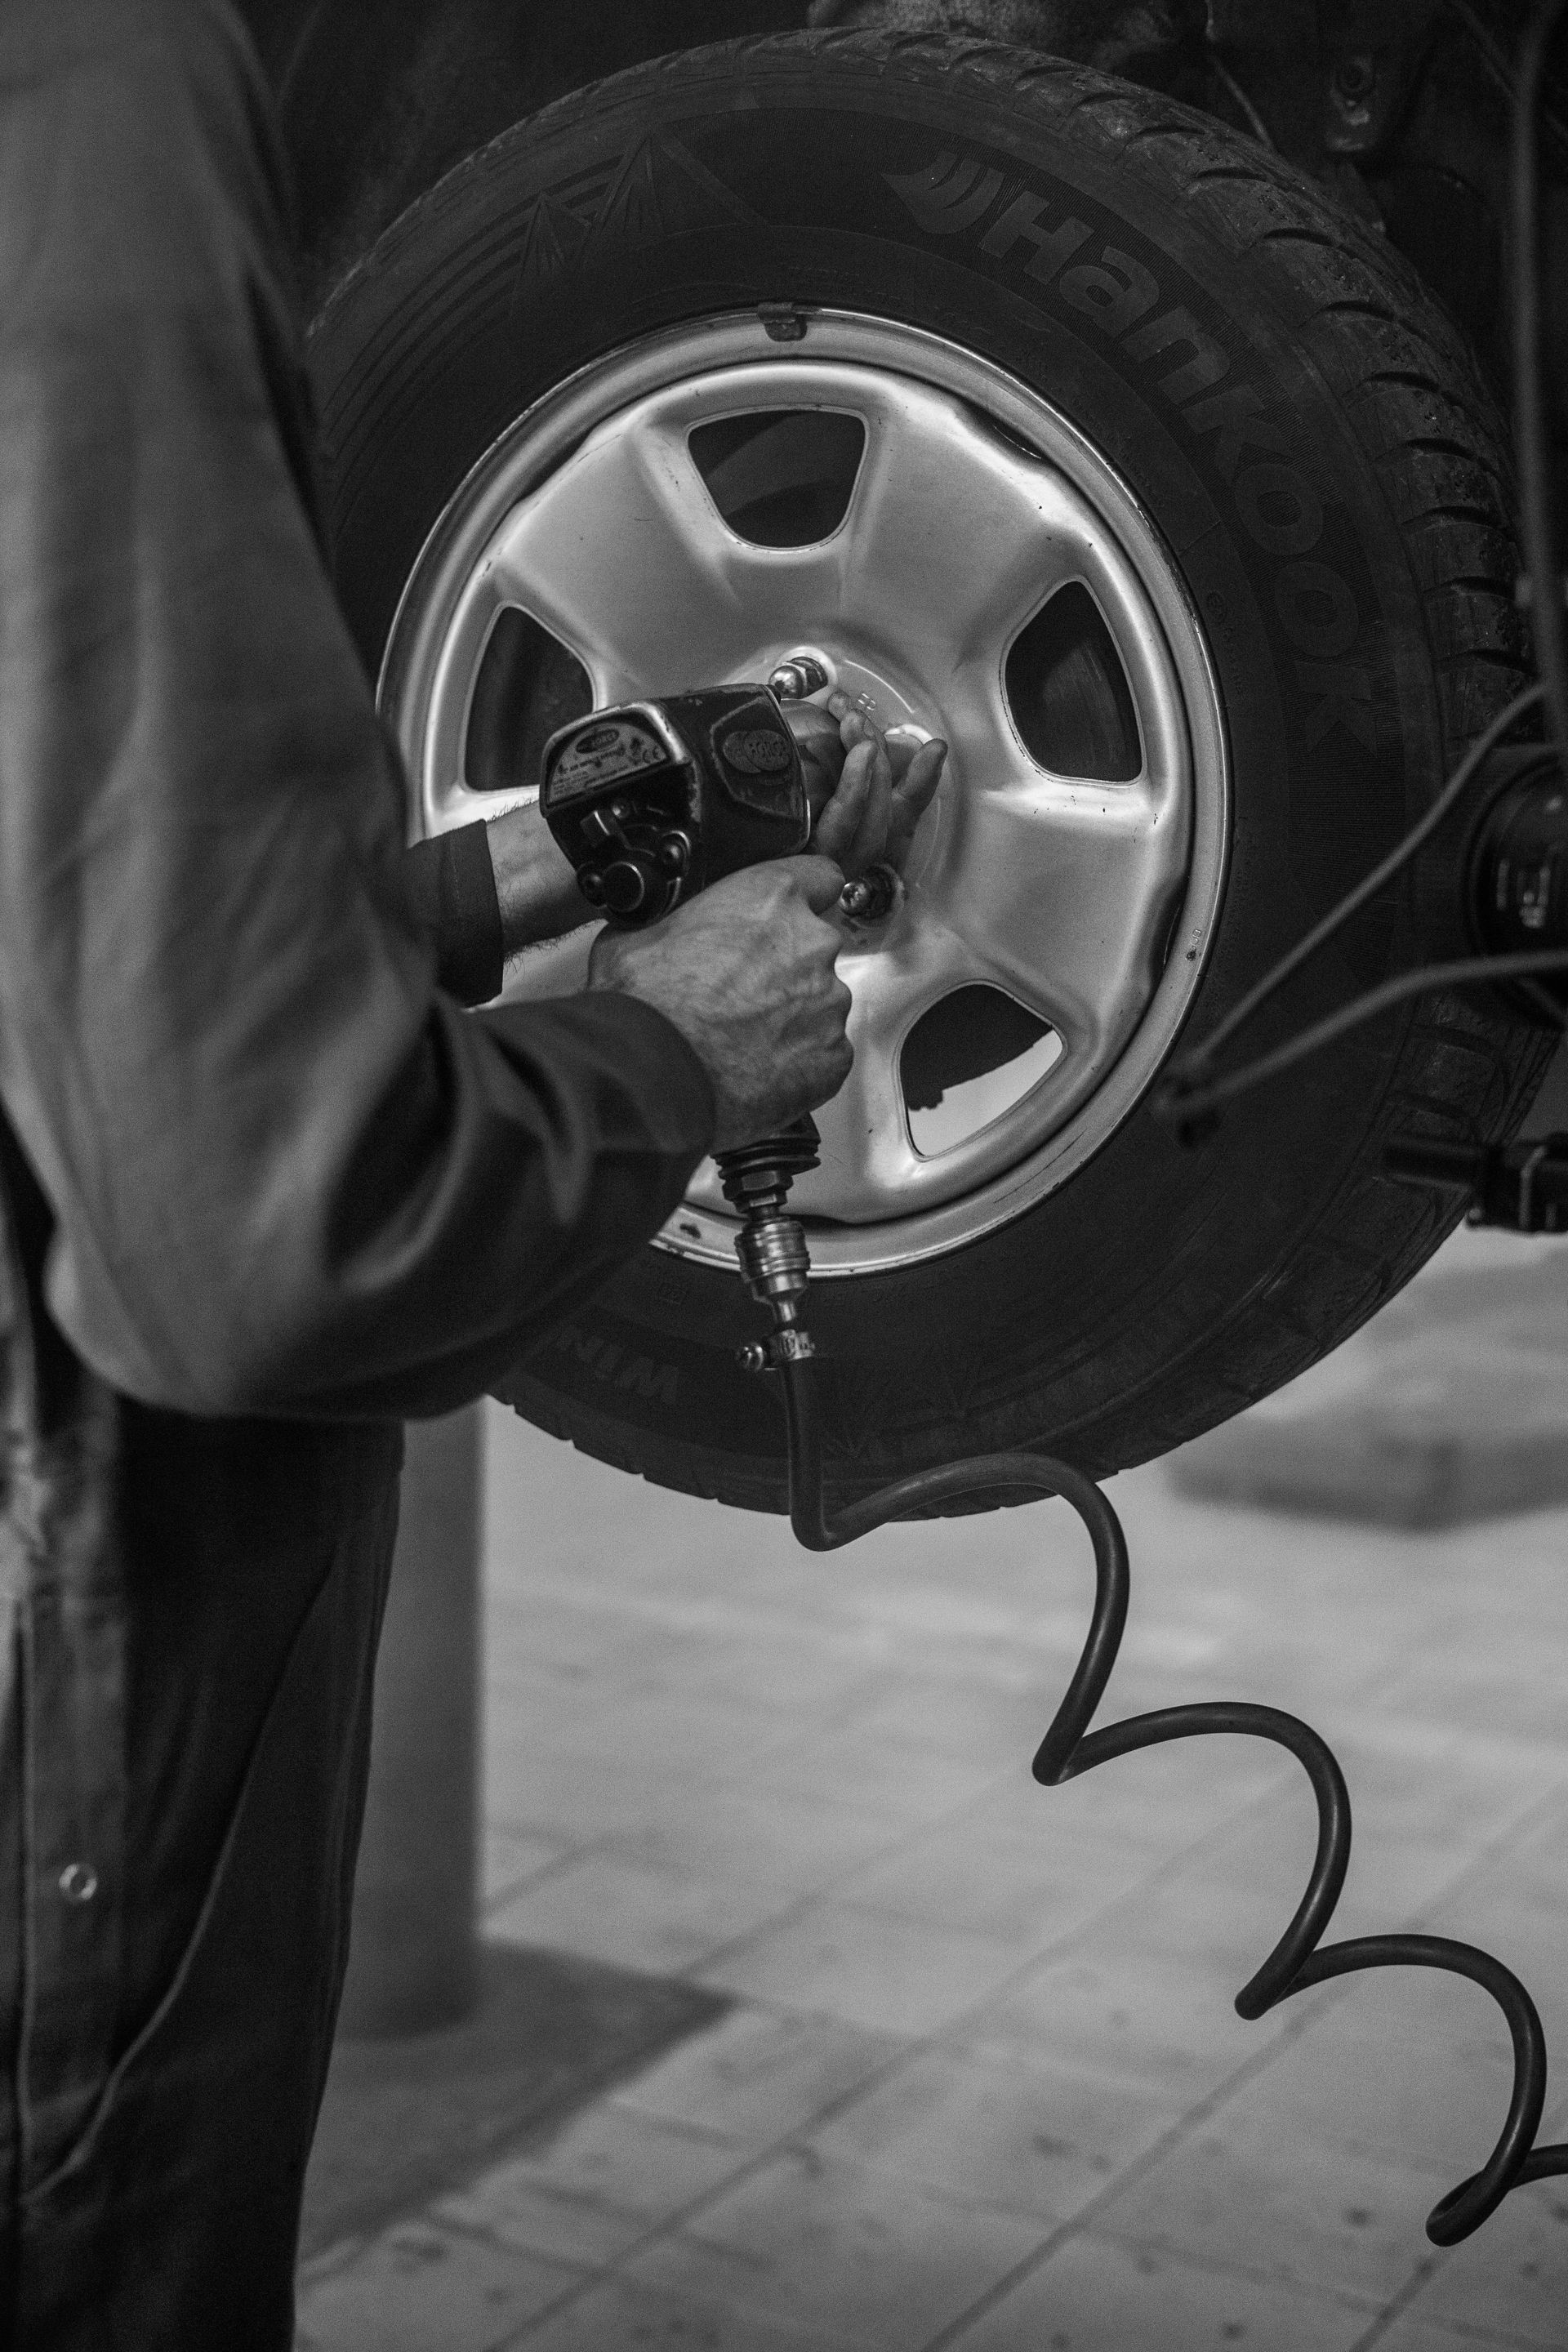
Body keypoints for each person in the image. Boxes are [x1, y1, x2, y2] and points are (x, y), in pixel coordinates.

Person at [0, 2, 950, 2344]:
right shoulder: (91, 85)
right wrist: (664, 1054)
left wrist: (538, 863)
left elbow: (58, 936)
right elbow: (270, 1239)